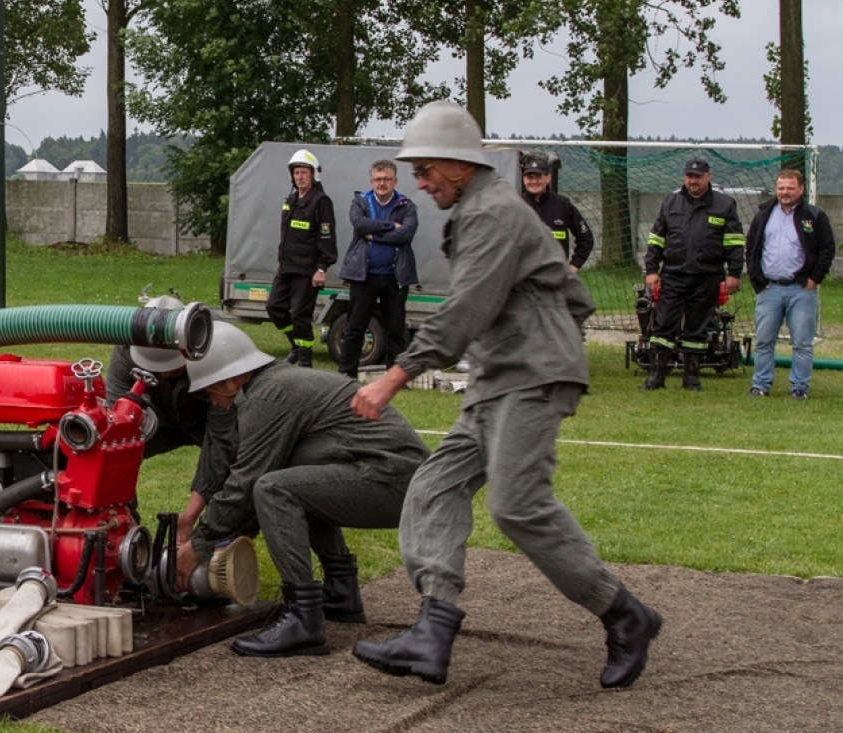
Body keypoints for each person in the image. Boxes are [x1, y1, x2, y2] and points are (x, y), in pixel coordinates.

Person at [350, 102, 662, 690]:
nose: (418, 182)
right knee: (435, 483)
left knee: (517, 505)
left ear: (458, 164)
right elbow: (572, 292)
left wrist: (394, 375)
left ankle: (626, 616)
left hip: (532, 375)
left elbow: (467, 308)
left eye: (425, 170)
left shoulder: (491, 211)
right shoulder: (482, 208)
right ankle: (433, 632)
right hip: (499, 375)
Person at [174, 323, 429, 657]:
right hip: (400, 478)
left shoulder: (266, 398)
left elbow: (245, 486)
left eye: (210, 392)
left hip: (398, 482)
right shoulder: (279, 385)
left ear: (231, 380)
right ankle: (341, 594)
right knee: (295, 483)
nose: (214, 403)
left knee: (275, 490)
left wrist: (197, 547)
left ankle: (304, 620)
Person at [104, 295, 236, 541]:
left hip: (212, 415)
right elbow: (116, 433)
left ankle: (217, 541)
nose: (165, 372)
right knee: (108, 449)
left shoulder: (216, 343)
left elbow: (221, 439)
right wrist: (121, 513)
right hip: (161, 418)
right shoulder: (126, 346)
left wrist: (189, 517)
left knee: (239, 469)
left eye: (172, 365)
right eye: (156, 365)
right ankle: (125, 531)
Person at [640, 157, 745, 391]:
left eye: (697, 177)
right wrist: (651, 270)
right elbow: (656, 240)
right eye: (689, 176)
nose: (693, 181)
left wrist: (734, 273)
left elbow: (734, 243)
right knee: (663, 326)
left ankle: (691, 378)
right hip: (674, 276)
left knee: (697, 329)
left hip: (707, 276)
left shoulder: (725, 205)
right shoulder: (670, 203)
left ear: (708, 177)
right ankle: (656, 377)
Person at [746, 168, 835, 399]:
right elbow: (751, 248)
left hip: (801, 290)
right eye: (781, 188)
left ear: (801, 189)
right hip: (769, 289)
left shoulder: (814, 216)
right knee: (764, 341)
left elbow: (827, 249)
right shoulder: (763, 214)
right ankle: (760, 385)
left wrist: (814, 279)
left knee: (802, 344)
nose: (785, 192)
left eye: (790, 188)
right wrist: (757, 279)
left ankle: (799, 388)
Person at [337, 159, 419, 379]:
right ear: (371, 181)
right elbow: (360, 225)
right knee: (355, 327)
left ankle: (395, 378)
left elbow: (407, 234)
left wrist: (375, 235)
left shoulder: (406, 205)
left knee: (396, 330)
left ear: (395, 181)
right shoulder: (361, 202)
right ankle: (346, 374)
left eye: (386, 179)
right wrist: (391, 226)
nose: (382, 183)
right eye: (378, 179)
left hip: (395, 277)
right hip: (364, 276)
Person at [266, 149, 338, 366]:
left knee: (300, 315)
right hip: (287, 267)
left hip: (308, 271)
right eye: (296, 173)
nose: (300, 177)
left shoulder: (321, 201)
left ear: (313, 174)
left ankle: (305, 361)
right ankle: (296, 345)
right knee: (274, 308)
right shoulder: (291, 199)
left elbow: (327, 237)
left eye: (304, 172)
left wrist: (322, 267)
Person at [520, 153, 593, 271]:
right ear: (524, 179)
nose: (534, 181)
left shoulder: (563, 204)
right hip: (525, 278)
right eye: (530, 177)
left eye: (538, 176)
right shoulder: (516, 205)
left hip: (555, 277)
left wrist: (574, 265)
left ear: (548, 177)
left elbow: (586, 238)